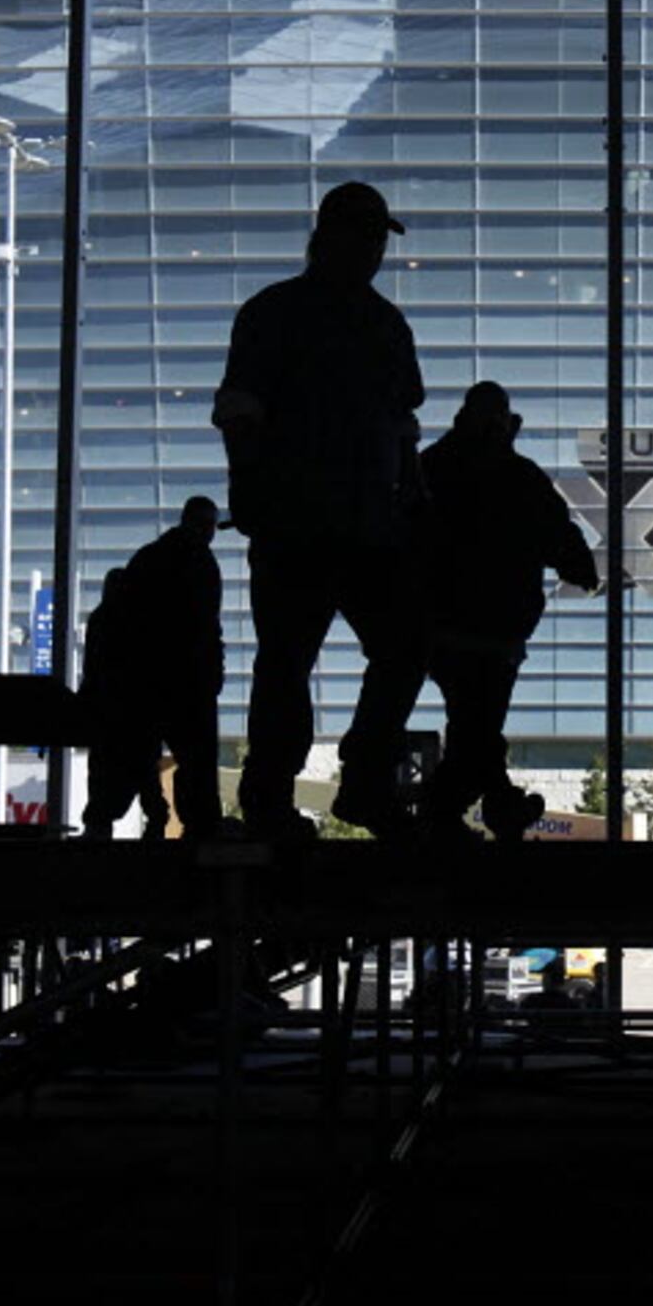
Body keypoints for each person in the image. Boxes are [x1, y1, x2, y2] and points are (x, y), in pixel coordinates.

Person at [213, 181, 427, 841]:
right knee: (378, 653)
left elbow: (241, 411)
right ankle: (346, 784)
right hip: (338, 525)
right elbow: (401, 427)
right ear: (335, 238)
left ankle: (280, 796)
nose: (372, 252)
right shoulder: (379, 326)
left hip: (311, 524)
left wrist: (251, 490)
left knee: (291, 663)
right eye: (365, 238)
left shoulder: (277, 313)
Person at [417, 383, 598, 840]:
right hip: (498, 625)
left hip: (441, 624)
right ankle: (465, 809)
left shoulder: (431, 469)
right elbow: (556, 532)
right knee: (478, 724)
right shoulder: (518, 475)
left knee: (472, 724)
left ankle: (491, 805)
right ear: (505, 423)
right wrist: (582, 569)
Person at [79, 496, 228, 841]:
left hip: (143, 683)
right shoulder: (202, 565)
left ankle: (104, 821)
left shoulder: (149, 558)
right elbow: (207, 627)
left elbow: (120, 626)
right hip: (187, 682)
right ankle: (194, 825)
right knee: (195, 760)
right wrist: (211, 672)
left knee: (131, 757)